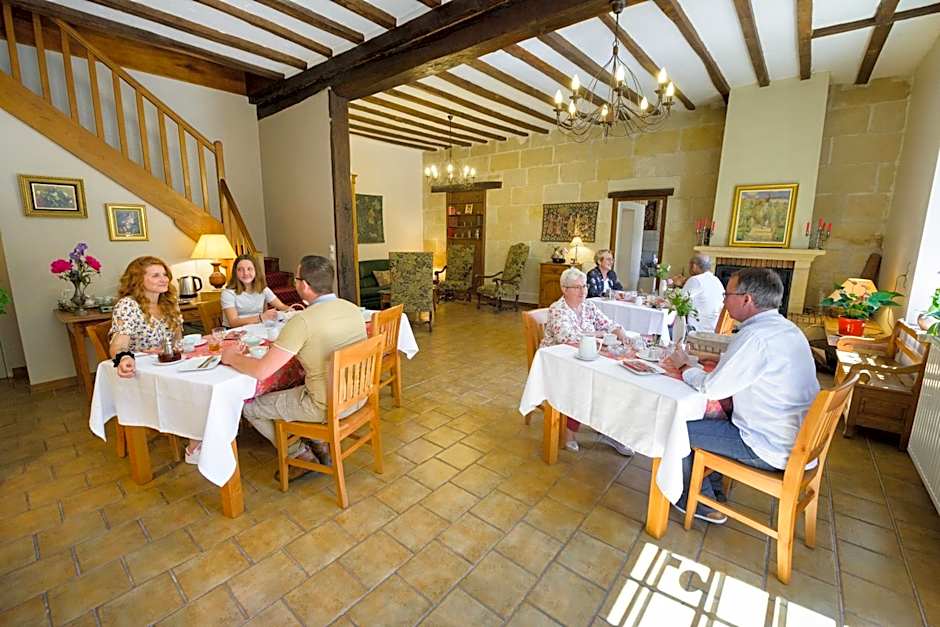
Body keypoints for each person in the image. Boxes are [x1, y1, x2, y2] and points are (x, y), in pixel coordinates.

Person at [666, 268, 819, 524]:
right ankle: (710, 484)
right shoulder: (789, 330)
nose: (724, 300)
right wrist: (722, 360)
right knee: (713, 417)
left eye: (728, 294)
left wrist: (684, 366)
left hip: (766, 445)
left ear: (747, 299)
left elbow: (712, 388)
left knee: (674, 426)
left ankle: (692, 498)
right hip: (796, 441)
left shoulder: (755, 337)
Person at [221, 255, 367, 479]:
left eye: (297, 279)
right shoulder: (351, 308)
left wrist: (231, 358)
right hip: (358, 395)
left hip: (325, 405)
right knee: (288, 386)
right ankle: (317, 441)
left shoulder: (302, 321)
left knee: (249, 406)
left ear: (304, 285)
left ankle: (298, 454)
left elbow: (261, 371)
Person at [108, 256, 201, 463]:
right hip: (143, 373)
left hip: (169, 365)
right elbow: (119, 345)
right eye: (155, 275)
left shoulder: (169, 303)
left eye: (165, 274)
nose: (164, 279)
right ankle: (195, 445)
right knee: (191, 387)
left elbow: (177, 340)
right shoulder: (128, 306)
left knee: (202, 377)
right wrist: (123, 359)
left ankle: (204, 434)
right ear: (138, 280)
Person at [541, 267, 634, 456]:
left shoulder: (589, 306)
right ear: (564, 289)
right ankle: (569, 433)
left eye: (584, 286)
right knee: (582, 383)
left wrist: (621, 333)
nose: (583, 291)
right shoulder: (557, 309)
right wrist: (598, 334)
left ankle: (610, 430)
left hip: (587, 357)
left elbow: (608, 323)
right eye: (577, 287)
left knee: (614, 382)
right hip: (558, 361)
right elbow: (567, 338)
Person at [221, 254, 293, 328]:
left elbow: (281, 306)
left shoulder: (263, 289)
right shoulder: (228, 293)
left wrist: (293, 311)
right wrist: (261, 317)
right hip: (234, 332)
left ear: (256, 271)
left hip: (256, 328)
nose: (245, 273)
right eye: (240, 269)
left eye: (249, 269)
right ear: (235, 273)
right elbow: (233, 322)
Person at [671, 254, 725, 332]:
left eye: (689, 265)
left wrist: (676, 285)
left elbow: (677, 302)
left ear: (694, 266)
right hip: (712, 327)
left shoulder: (695, 280)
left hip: (697, 328)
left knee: (666, 326)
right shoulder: (716, 280)